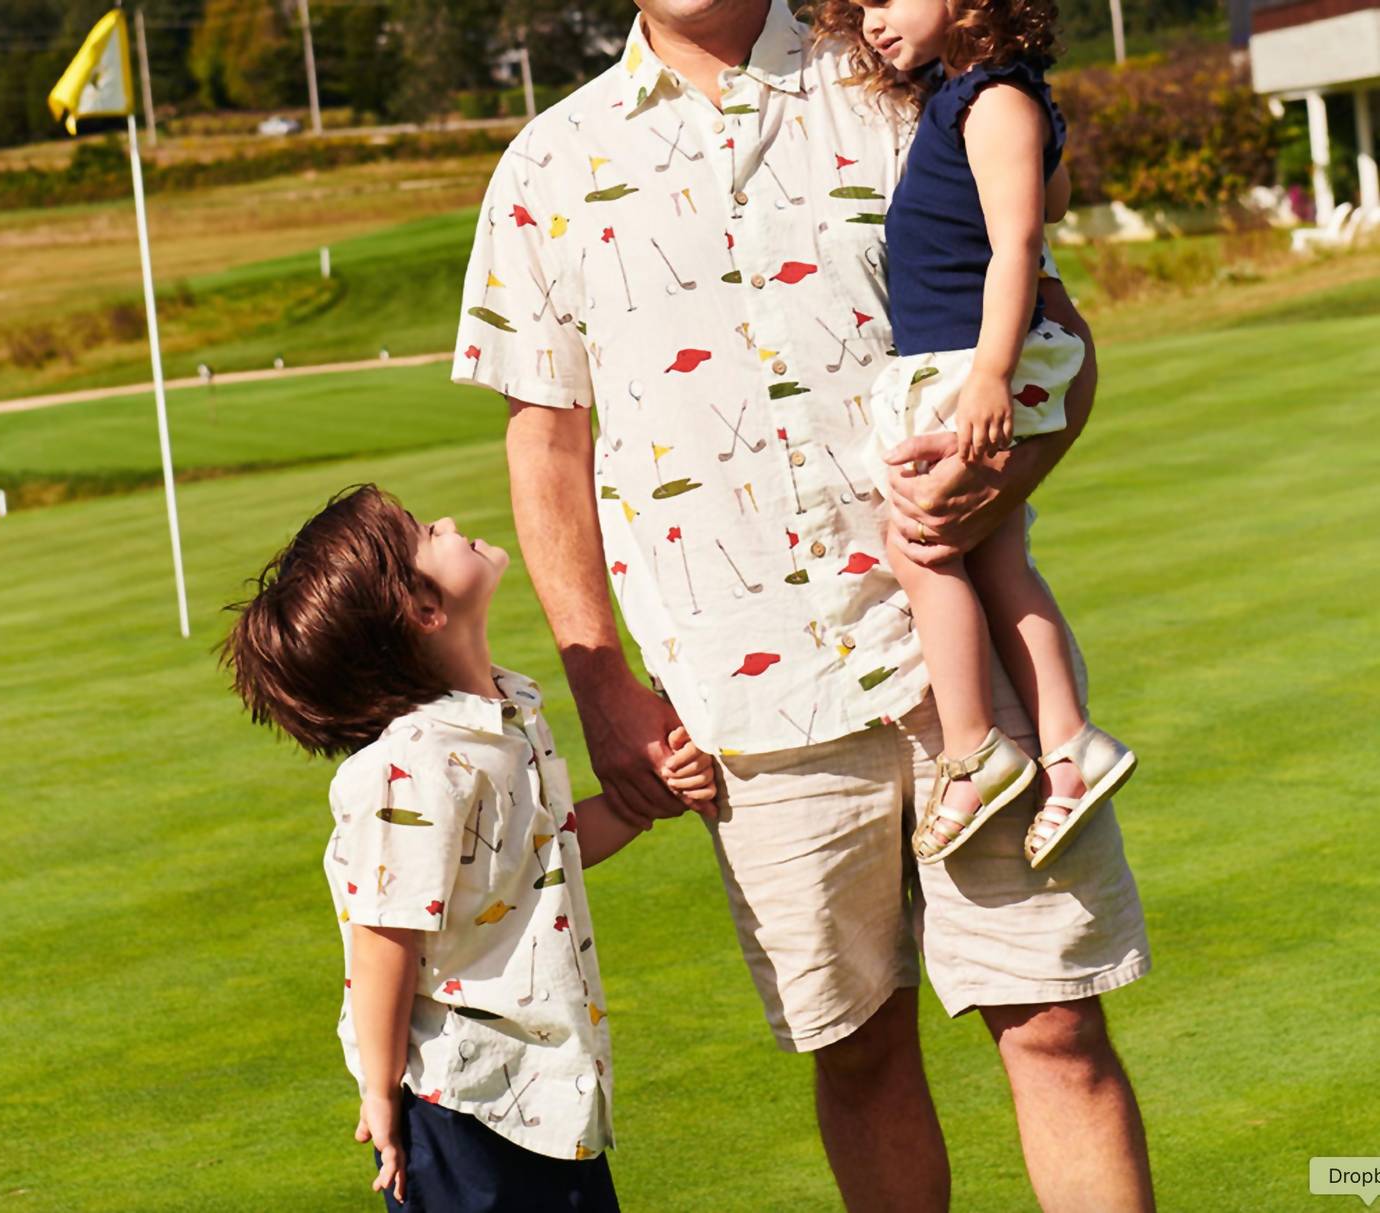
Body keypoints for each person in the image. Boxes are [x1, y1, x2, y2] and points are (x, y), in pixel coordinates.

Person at [451, 0, 1155, 1208]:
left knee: (1057, 1028)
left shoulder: (901, 82)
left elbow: (1056, 340)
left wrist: (1007, 475)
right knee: (861, 1056)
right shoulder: (546, 165)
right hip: (748, 694)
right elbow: (547, 446)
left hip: (967, 665)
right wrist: (600, 684)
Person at [221, 485, 714, 1211]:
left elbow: (545, 852)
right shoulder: (409, 768)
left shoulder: (500, 718)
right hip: (459, 1106)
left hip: (547, 1091)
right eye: (426, 532)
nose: (448, 523)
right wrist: (379, 1090)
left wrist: (643, 803)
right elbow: (383, 937)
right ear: (424, 610)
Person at [823, 0, 1136, 870]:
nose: (872, 21)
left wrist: (992, 374)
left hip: (974, 356)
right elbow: (1053, 194)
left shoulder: (992, 99)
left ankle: (974, 751)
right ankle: (1070, 746)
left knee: (920, 543)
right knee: (995, 557)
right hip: (965, 352)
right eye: (860, 7)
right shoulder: (978, 94)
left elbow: (1020, 241)